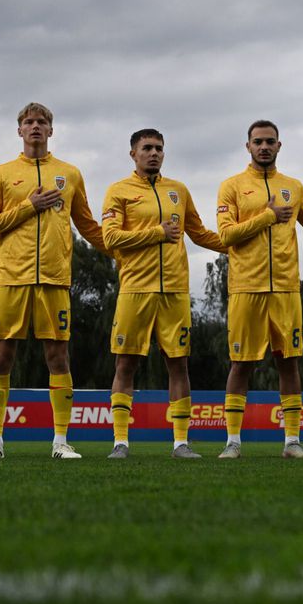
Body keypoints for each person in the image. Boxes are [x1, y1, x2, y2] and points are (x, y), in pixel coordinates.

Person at [0, 103, 109, 460]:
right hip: (11, 279)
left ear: (51, 130)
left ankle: (61, 442)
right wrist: (28, 207)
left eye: (42, 122)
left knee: (58, 357)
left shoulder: (69, 174)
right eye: (29, 122)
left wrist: (121, 253)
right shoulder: (2, 174)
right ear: (19, 130)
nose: (35, 127)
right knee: (1, 357)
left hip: (54, 279)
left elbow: (88, 226)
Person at [215, 120, 303, 459]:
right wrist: (267, 216)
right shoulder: (232, 186)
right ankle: (233, 442)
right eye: (258, 142)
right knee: (240, 364)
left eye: (270, 141)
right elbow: (226, 236)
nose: (264, 147)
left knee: (289, 362)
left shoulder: (293, 187)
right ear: (248, 146)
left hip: (285, 288)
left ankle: (292, 441)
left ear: (279, 146)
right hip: (245, 288)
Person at [102, 129, 225, 459]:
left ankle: (181, 443)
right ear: (133, 154)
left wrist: (237, 244)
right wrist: (157, 233)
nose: (154, 153)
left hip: (174, 290)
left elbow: (198, 233)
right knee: (125, 365)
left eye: (159, 148)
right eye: (147, 148)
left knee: (179, 365)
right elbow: (111, 237)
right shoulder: (119, 191)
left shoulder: (178, 191)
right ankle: (120, 442)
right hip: (135, 289)